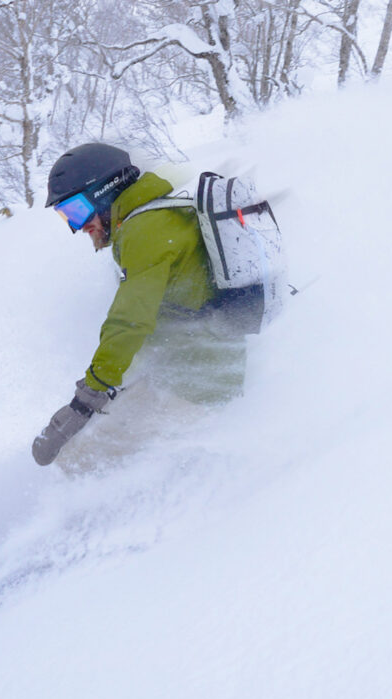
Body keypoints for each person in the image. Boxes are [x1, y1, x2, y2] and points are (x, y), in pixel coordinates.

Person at [32, 143, 258, 467]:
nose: (77, 226)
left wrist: (85, 401)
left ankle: (155, 513)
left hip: (199, 385)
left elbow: (129, 321)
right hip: (189, 368)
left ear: (104, 192)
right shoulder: (155, 214)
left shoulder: (146, 230)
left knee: (82, 458)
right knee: (87, 447)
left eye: (76, 211)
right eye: (66, 216)